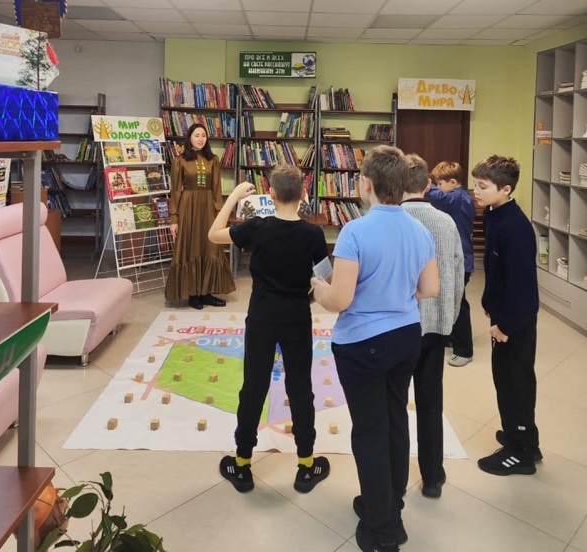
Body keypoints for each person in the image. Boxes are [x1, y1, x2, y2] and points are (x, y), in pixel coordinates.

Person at [311, 145, 439, 552]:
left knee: (369, 431)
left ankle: (381, 530)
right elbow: (430, 289)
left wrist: (319, 289)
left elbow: (340, 300)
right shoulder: (420, 230)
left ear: (365, 183)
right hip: (406, 337)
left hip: (363, 344)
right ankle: (389, 506)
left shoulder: (355, 231)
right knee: (395, 421)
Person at [208, 164, 331, 494]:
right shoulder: (313, 235)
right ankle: (306, 464)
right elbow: (325, 278)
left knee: (254, 387)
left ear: (271, 193)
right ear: (303, 194)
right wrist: (306, 294)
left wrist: (234, 196)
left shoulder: (257, 227)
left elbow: (214, 234)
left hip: (262, 317)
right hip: (296, 317)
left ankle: (242, 463)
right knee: (300, 388)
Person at [472, 155, 542, 476]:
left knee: (515, 382)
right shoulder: (493, 214)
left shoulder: (514, 226)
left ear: (506, 189)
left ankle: (521, 452)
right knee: (505, 378)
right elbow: (496, 267)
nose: (476, 191)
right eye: (476, 184)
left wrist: (506, 325)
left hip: (516, 319)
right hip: (504, 312)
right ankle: (523, 436)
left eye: (483, 186)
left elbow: (523, 286)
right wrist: (490, 301)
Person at [402, 154, 465, 499]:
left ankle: (395, 474)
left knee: (394, 403)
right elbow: (456, 275)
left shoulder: (391, 221)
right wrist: (448, 318)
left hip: (399, 326)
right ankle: (432, 477)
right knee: (430, 401)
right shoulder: (445, 222)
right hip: (436, 325)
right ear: (428, 184)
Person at [165, 123, 235, 310]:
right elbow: (175, 192)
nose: (200, 139)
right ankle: (193, 294)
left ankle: (206, 293)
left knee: (210, 246)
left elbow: (217, 189)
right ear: (189, 138)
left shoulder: (213, 160)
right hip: (188, 208)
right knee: (191, 248)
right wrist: (174, 219)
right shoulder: (179, 160)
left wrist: (220, 215)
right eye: (196, 135)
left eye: (203, 135)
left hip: (208, 209)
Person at [427, 161, 476, 367]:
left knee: (458, 303)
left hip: (461, 260)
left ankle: (464, 350)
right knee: (452, 298)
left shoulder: (458, 198)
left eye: (440, 184)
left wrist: (425, 185)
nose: (438, 188)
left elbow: (437, 197)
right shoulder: (458, 198)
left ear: (453, 182)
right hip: (457, 258)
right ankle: (451, 336)